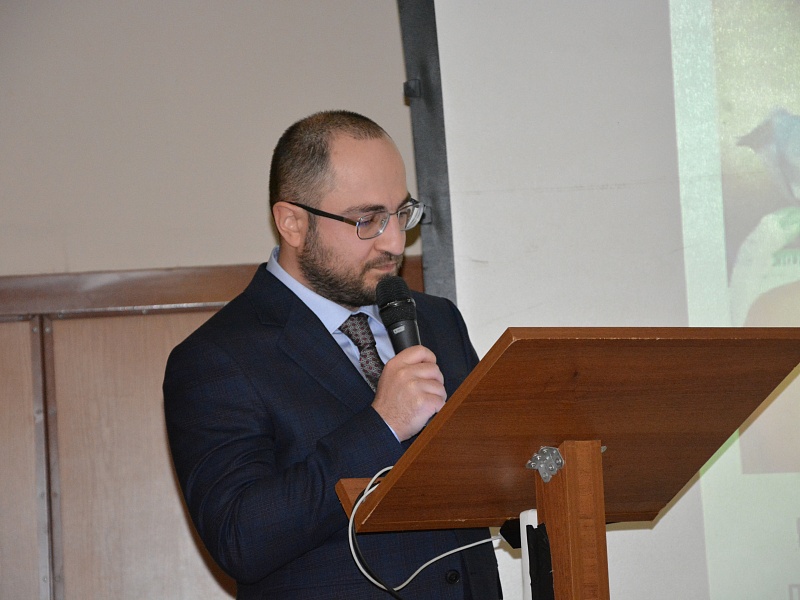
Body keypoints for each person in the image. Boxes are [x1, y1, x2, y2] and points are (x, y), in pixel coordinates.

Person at [163, 110, 502, 599]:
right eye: (368, 220)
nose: (395, 242)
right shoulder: (216, 358)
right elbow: (241, 538)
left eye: (401, 213)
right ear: (293, 223)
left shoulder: (437, 320)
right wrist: (383, 425)